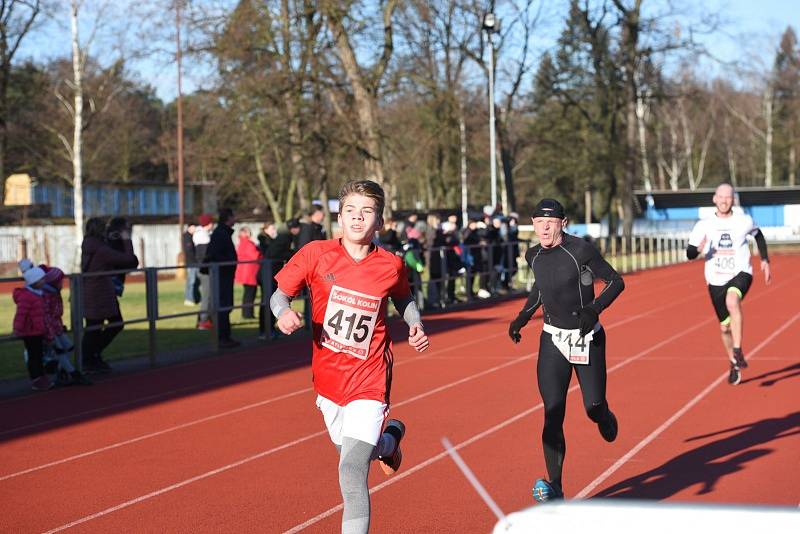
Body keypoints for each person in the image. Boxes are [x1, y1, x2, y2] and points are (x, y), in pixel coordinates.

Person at [270, 180, 430, 534]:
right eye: (351, 211)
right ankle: (389, 442)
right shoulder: (315, 254)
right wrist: (283, 313)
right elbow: (279, 295)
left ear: (380, 222)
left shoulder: (391, 264)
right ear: (339, 218)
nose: (358, 218)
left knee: (351, 469)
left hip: (370, 379)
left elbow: (403, 299)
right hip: (328, 380)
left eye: (367, 212)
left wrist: (415, 323)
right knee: (354, 450)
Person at [507, 198, 624, 502]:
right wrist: (522, 317)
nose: (544, 227)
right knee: (552, 411)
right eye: (538, 222)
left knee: (593, 406)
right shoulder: (532, 254)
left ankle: (605, 415)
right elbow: (541, 289)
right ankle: (555, 485)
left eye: (550, 222)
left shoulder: (580, 250)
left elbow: (615, 281)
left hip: (587, 338)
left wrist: (593, 310)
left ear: (563, 223)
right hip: (553, 340)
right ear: (532, 224)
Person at [686, 182, 772, 386]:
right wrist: (698, 249)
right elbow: (689, 254)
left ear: (733, 200)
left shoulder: (744, 220)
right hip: (715, 279)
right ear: (714, 199)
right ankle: (733, 362)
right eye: (721, 197)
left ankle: (738, 349)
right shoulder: (704, 225)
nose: (725, 200)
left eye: (728, 197)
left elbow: (758, 235)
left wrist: (765, 260)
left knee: (733, 300)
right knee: (725, 328)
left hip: (741, 272)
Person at [81, 217, 139, 373]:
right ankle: (88, 359)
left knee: (98, 325)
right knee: (100, 325)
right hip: (99, 291)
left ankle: (92, 357)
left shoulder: (90, 244)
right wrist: (126, 239)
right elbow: (129, 260)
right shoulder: (100, 249)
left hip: (97, 290)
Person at [204, 207, 239, 348]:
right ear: (228, 218)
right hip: (221, 274)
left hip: (224, 274)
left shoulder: (222, 233)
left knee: (225, 305)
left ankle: (225, 336)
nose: (235, 219)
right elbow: (215, 254)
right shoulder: (220, 233)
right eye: (233, 216)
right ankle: (222, 337)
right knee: (223, 305)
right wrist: (228, 263)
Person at [13, 263, 52, 390]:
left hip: (38, 331)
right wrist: (17, 328)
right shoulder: (28, 296)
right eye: (41, 279)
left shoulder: (38, 294)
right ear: (34, 281)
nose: (44, 281)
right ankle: (36, 379)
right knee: (33, 356)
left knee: (39, 355)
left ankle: (41, 377)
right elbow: (21, 314)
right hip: (30, 332)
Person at [234, 226, 262, 319]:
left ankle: (247, 313)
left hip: (245, 272)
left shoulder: (241, 243)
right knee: (250, 294)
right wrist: (261, 254)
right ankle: (248, 314)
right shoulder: (248, 243)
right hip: (250, 272)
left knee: (247, 293)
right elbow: (255, 256)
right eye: (248, 232)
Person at [194, 214, 214, 330]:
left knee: (208, 296)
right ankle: (203, 321)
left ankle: (205, 319)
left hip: (204, 270)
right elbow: (204, 256)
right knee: (207, 296)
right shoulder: (203, 236)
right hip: (205, 271)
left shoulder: (203, 234)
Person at [182, 222, 199, 306]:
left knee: (195, 281)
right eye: (193, 227)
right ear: (189, 227)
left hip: (193, 262)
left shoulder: (192, 236)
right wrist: (196, 260)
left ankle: (195, 298)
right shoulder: (187, 237)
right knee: (191, 281)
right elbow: (189, 251)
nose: (195, 229)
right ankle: (189, 299)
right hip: (191, 263)